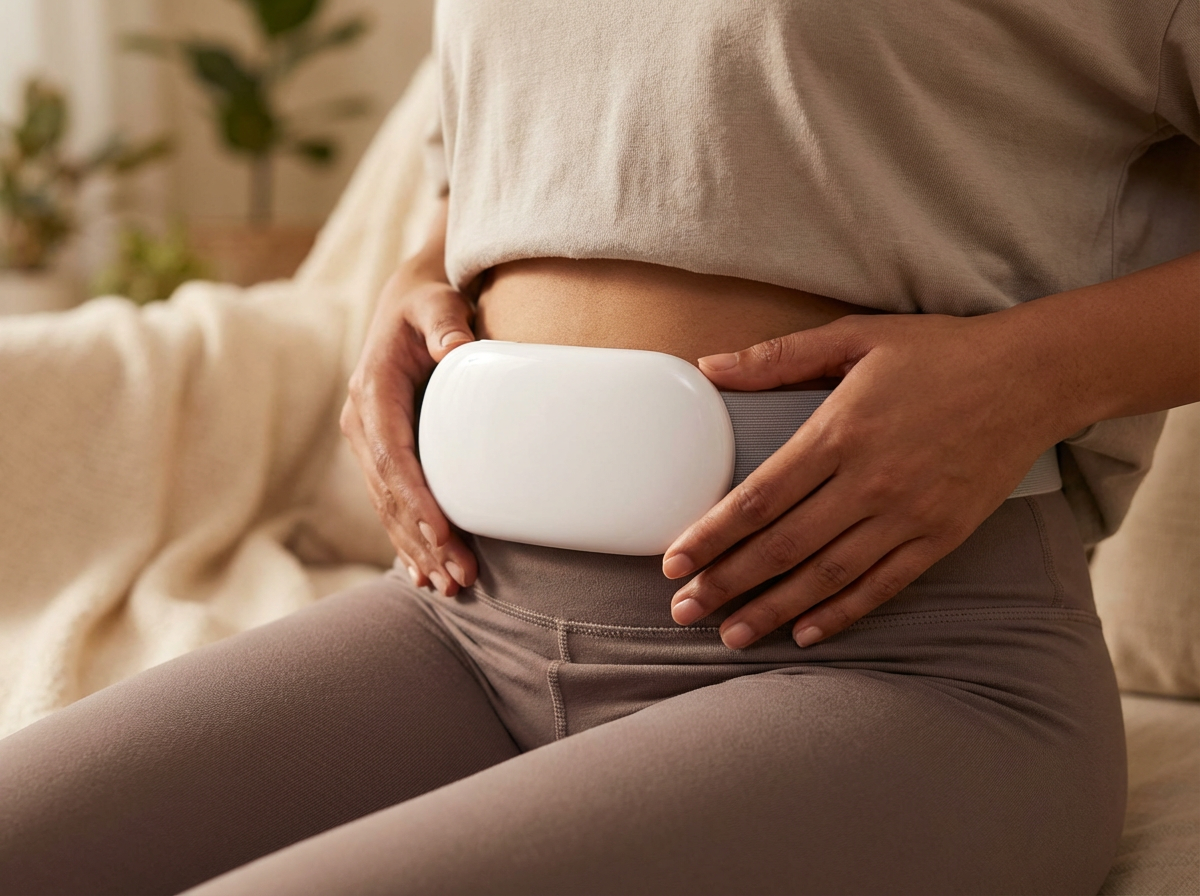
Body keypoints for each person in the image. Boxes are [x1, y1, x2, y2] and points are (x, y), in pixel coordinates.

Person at [2, 2, 1197, 894]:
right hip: (461, 614)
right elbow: (501, 168)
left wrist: (1037, 373)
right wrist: (419, 277)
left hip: (890, 666)